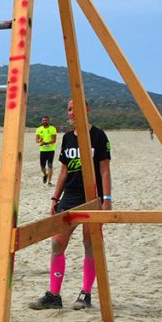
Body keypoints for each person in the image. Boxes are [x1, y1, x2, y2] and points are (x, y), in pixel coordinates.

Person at [30, 99, 112, 311]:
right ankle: (54, 295)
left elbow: (104, 169)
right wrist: (55, 198)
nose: (72, 112)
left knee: (90, 244)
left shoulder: (99, 136)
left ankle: (85, 294)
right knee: (57, 244)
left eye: (77, 108)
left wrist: (107, 199)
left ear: (87, 110)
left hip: (93, 197)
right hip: (70, 197)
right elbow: (64, 171)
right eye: (69, 109)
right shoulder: (67, 138)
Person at [35, 115, 57, 185]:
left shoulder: (52, 129)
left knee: (50, 165)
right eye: (43, 120)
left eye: (46, 120)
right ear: (42, 121)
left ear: (48, 121)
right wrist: (39, 141)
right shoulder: (39, 129)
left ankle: (49, 181)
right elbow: (37, 140)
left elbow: (54, 140)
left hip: (51, 150)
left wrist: (46, 143)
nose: (44, 122)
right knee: (42, 166)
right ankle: (45, 174)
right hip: (43, 150)